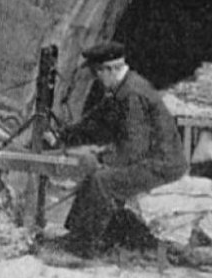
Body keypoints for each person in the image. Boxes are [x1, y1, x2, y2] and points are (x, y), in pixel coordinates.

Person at [55, 40, 187, 256]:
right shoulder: (124, 87)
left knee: (101, 181)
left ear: (110, 69)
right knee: (95, 175)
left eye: (98, 74)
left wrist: (101, 157)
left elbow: (134, 149)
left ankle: (82, 248)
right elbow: (97, 119)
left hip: (161, 164)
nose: (97, 79)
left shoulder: (132, 94)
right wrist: (65, 134)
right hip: (153, 159)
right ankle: (75, 236)